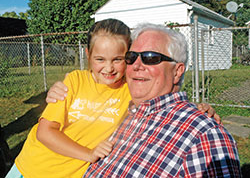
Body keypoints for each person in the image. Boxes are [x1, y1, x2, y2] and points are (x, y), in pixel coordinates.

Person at [83, 23, 241, 177]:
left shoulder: (205, 135)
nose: (137, 65)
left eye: (151, 58)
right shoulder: (123, 109)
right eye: (131, 57)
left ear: (177, 71)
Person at [6, 18, 132, 178]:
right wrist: (89, 154)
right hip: (31, 168)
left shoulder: (130, 91)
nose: (108, 68)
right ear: (88, 54)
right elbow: (45, 133)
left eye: (117, 59)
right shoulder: (75, 81)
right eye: (100, 59)